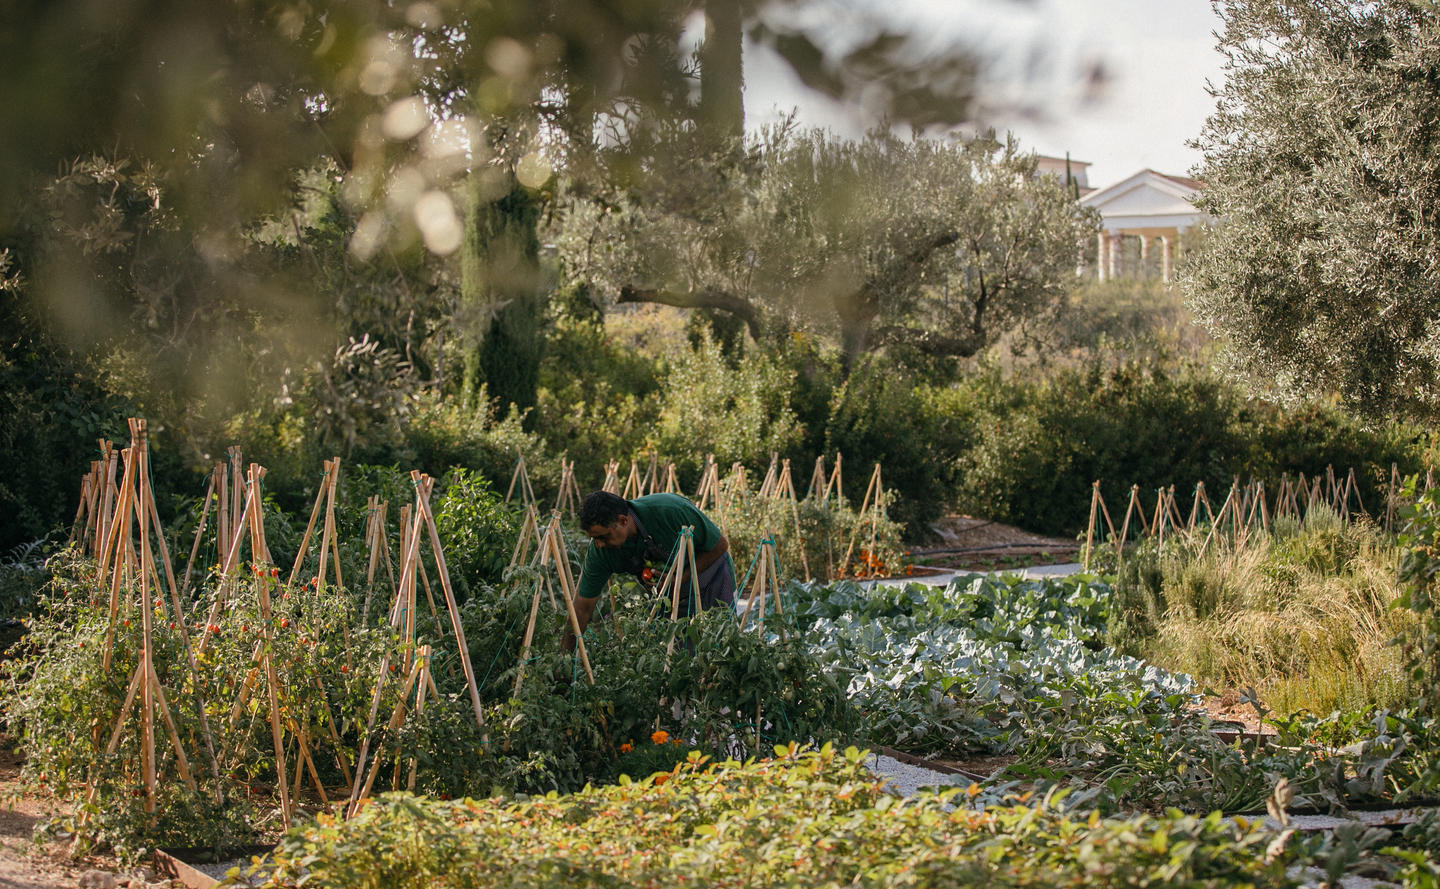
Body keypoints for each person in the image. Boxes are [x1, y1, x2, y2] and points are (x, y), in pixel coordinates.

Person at [561, 490, 734, 651]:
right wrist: (564, 657)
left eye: (603, 537)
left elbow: (720, 545)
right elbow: (582, 608)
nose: (598, 544)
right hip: (670, 591)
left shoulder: (669, 510)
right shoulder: (601, 552)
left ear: (623, 520)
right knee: (677, 654)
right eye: (593, 538)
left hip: (711, 575)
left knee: (720, 642)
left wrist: (681, 577)